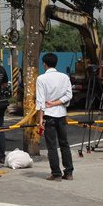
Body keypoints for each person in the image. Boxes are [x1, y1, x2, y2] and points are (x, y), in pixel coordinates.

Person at [36, 53, 74, 181]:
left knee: (52, 146)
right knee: (64, 144)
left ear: (44, 64)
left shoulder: (41, 79)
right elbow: (69, 95)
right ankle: (69, 172)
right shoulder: (64, 77)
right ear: (56, 63)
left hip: (49, 115)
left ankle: (56, 173)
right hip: (62, 114)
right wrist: (57, 103)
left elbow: (40, 101)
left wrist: (40, 119)